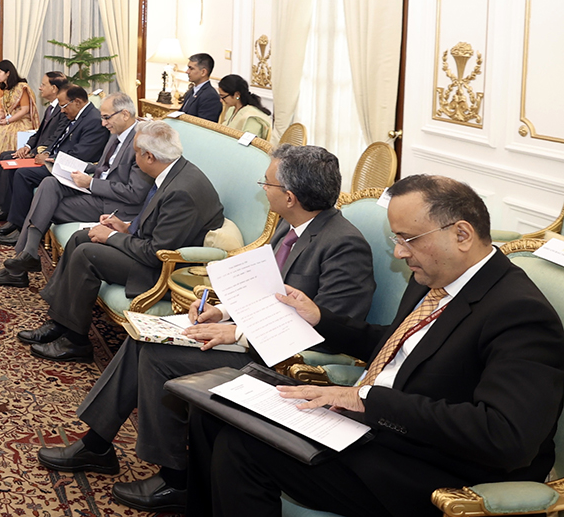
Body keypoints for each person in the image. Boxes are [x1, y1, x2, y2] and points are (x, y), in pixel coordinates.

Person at [187, 174, 564, 517]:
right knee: (214, 412)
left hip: (435, 468)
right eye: (397, 239)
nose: (399, 253)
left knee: (243, 449)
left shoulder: (519, 312)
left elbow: (505, 435)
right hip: (374, 431)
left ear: (461, 235)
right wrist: (320, 319)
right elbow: (399, 346)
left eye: (408, 239)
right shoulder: (433, 277)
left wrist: (366, 400)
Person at [35, 144, 375, 513]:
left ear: (290, 197)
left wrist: (239, 334)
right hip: (252, 336)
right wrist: (222, 312)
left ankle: (176, 480)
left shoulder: (344, 245)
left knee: (157, 357)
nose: (264, 188)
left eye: (268, 183)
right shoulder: (292, 227)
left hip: (282, 361)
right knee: (143, 338)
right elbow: (270, 292)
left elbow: (328, 332)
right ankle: (97, 444)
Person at [16, 120, 224, 362]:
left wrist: (112, 236)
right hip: (149, 250)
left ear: (149, 156)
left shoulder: (181, 192)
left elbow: (155, 253)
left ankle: (75, 342)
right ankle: (60, 322)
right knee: (81, 237)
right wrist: (125, 227)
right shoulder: (173, 172)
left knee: (87, 254)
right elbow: (157, 225)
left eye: (135, 152)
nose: (133, 157)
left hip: (162, 269)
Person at [0, 92, 151, 283]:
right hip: (97, 191)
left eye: (106, 117)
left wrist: (90, 183)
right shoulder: (116, 134)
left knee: (45, 206)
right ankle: (26, 257)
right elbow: (105, 169)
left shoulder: (141, 142)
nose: (103, 123)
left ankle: (21, 264)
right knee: (49, 183)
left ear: (125, 114)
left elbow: (134, 193)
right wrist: (73, 165)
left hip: (115, 206)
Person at [0, 85, 109, 243]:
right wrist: (42, 153)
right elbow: (56, 139)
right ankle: (12, 219)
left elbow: (81, 155)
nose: (62, 110)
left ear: (77, 102)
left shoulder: (94, 121)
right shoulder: (74, 115)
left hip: (70, 169)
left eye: (64, 106)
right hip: (54, 161)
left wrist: (50, 158)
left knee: (24, 174)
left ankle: (20, 227)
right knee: (14, 164)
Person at [0, 71, 70, 223]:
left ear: (54, 88)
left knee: (11, 162)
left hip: (45, 155)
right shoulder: (51, 108)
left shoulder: (63, 111)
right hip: (36, 150)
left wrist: (32, 153)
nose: (40, 88)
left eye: (43, 85)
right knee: (4, 156)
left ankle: (6, 210)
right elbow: (39, 133)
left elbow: (54, 139)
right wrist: (27, 146)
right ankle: (0, 204)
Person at [0, 60, 37, 179]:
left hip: (21, 121)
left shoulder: (21, 87)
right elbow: (3, 110)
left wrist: (8, 121)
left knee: (5, 132)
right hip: (9, 119)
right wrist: (0, 115)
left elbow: (25, 110)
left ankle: (8, 169)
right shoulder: (3, 89)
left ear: (8, 73)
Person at [217, 73, 273, 140]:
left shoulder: (252, 118)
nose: (221, 100)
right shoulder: (231, 109)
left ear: (237, 95)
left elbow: (248, 143)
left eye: (223, 97)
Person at [178, 53, 221, 122]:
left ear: (203, 72)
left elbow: (204, 124)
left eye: (191, 68)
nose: (187, 72)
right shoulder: (191, 91)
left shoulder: (210, 96)